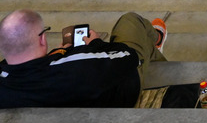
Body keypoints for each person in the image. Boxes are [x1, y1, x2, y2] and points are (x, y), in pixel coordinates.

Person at [0, 9, 167, 108]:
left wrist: (58, 53)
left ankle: (153, 50)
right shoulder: (77, 67)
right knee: (131, 21)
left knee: (144, 47)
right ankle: (156, 41)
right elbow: (129, 57)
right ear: (42, 39)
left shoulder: (6, 85)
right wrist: (95, 43)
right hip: (122, 93)